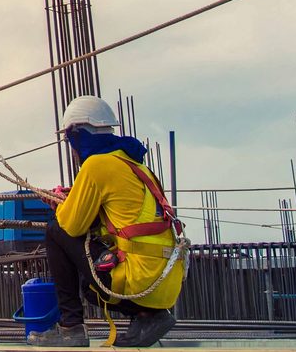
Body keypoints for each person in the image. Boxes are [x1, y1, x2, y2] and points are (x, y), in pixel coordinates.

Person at [28, 96, 184, 349]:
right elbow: (123, 220)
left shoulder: (96, 165)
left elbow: (72, 226)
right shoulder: (136, 166)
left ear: (77, 136)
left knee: (56, 228)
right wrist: (74, 198)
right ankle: (147, 316)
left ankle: (70, 328)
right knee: (91, 284)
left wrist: (61, 205)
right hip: (164, 284)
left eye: (70, 142)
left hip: (138, 281)